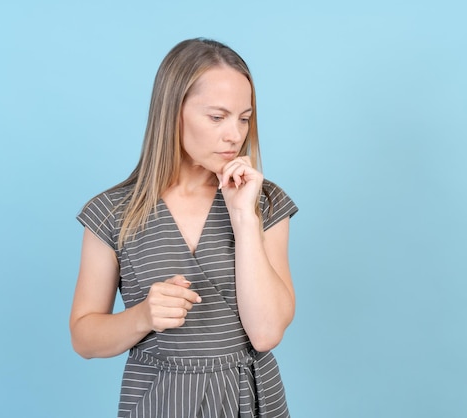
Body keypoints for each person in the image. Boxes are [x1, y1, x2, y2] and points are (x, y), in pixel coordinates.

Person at [70, 38, 298, 418]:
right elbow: (84, 337)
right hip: (159, 401)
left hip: (251, 401)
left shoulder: (264, 202)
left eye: (244, 118)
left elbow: (267, 333)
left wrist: (244, 218)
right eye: (216, 117)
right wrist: (142, 316)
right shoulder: (111, 212)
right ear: (173, 112)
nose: (234, 135)